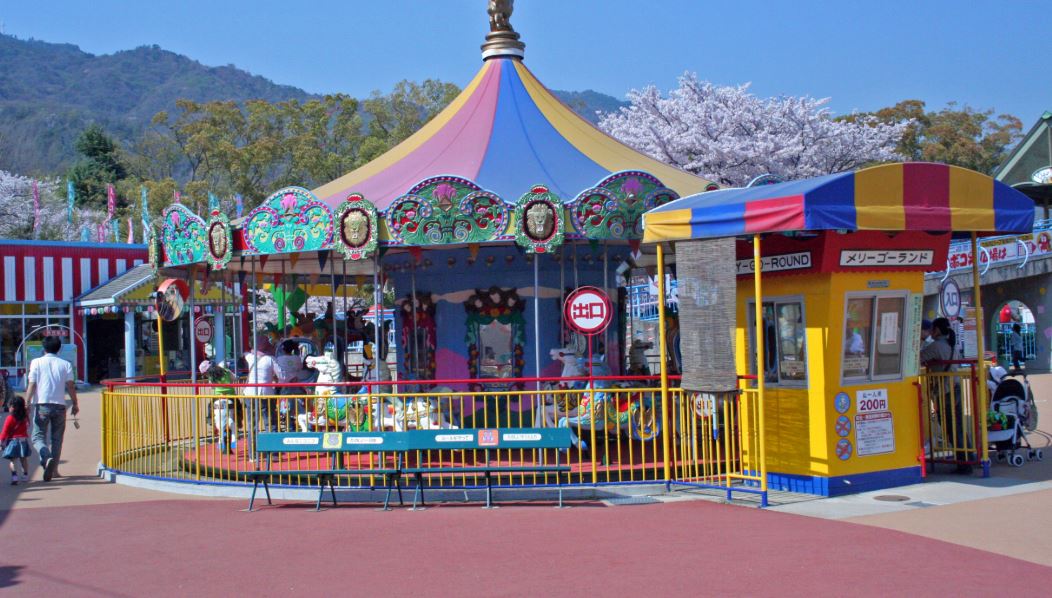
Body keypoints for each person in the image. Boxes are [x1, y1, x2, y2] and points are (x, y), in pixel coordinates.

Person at [920, 317, 971, 474]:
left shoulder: (936, 346)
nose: (930, 333)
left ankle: (963, 462)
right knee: (959, 425)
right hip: (955, 387)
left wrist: (920, 341)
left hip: (945, 390)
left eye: (932, 329)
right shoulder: (952, 345)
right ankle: (969, 457)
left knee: (950, 426)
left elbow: (918, 358)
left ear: (937, 330)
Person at [24, 336, 78, 482]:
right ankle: (54, 470)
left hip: (42, 405)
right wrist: (75, 403)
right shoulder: (65, 364)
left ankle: (46, 457)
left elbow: (32, 384)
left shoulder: (36, 362)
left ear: (44, 348)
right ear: (59, 348)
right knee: (57, 439)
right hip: (60, 405)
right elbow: (70, 385)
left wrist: (27, 402)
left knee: (37, 436)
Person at [243, 339, 277, 432]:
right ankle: (271, 445)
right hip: (266, 393)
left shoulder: (250, 357)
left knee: (252, 424)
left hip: (250, 393)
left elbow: (245, 353)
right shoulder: (271, 359)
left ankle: (252, 446)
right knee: (269, 422)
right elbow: (282, 376)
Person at [1, 395, 31, 484]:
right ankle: (25, 475)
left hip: (13, 442)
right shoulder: (25, 417)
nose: (9, 408)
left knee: (12, 460)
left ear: (13, 407)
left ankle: (14, 477)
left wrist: (1, 441)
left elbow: (5, 432)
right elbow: (27, 425)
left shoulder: (10, 418)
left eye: (10, 406)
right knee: (23, 459)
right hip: (23, 440)